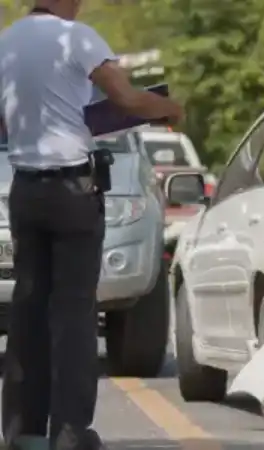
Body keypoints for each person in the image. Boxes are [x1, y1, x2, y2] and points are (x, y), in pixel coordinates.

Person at [0, 0, 183, 448]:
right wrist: (166, 107)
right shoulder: (76, 37)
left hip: (25, 190)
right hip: (72, 193)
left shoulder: (6, 43)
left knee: (29, 309)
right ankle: (69, 431)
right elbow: (124, 98)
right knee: (75, 312)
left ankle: (22, 430)